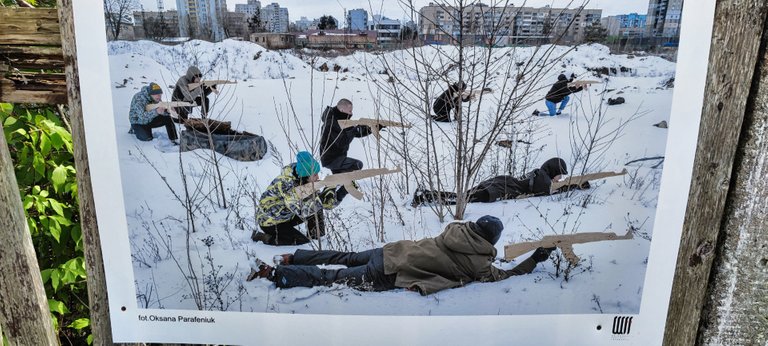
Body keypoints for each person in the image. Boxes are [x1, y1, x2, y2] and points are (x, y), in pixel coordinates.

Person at [246, 215, 554, 295]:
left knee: (344, 257)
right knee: (334, 279)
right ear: (491, 241)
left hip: (391, 250)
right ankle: (278, 274)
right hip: (390, 272)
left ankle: (291, 258)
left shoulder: (455, 230)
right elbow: (506, 275)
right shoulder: (478, 264)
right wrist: (535, 259)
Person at [251, 151, 349, 246]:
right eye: (315, 175)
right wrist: (322, 199)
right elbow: (302, 211)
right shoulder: (287, 185)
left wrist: (342, 192)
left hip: (287, 214)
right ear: (306, 175)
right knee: (300, 241)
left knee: (316, 204)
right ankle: (264, 237)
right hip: (271, 221)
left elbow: (324, 205)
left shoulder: (303, 177)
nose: (318, 177)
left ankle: (316, 238)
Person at [411, 158, 581, 207]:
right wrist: (575, 186)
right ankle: (425, 196)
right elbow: (550, 194)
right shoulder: (544, 181)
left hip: (499, 182)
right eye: (559, 175)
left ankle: (426, 194)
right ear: (552, 171)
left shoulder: (540, 174)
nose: (560, 178)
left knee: (463, 196)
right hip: (498, 189)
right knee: (461, 199)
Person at [319, 99, 374, 173]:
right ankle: (343, 182)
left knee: (341, 180)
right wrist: (355, 130)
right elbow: (342, 142)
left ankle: (341, 183)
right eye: (350, 111)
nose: (351, 113)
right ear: (342, 110)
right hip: (331, 159)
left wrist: (372, 128)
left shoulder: (342, 120)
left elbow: (357, 133)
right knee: (357, 165)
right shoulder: (331, 123)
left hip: (339, 158)